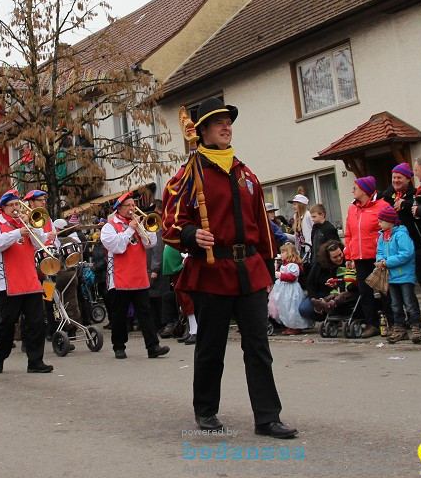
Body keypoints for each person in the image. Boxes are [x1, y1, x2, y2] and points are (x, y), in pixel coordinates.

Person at [161, 97, 296, 439]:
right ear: (202, 131)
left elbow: (261, 227)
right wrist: (191, 234)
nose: (225, 126)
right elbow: (170, 223)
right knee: (211, 347)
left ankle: (267, 417)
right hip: (211, 270)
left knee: (258, 347)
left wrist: (266, 268)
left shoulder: (246, 173)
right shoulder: (188, 175)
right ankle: (205, 410)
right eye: (217, 122)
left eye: (227, 121)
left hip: (249, 269)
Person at [0, 191, 55, 374]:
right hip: (8, 283)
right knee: (8, 325)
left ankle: (35, 361)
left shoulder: (25, 221)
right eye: (12, 205)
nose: (16, 208)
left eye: (18, 204)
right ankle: (0, 357)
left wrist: (32, 226)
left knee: (37, 323)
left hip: (30, 281)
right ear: (3, 208)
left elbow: (40, 242)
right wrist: (18, 232)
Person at [101, 192, 169, 360]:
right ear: (119, 208)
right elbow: (117, 247)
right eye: (128, 206)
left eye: (133, 205)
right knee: (120, 315)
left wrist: (143, 227)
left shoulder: (137, 224)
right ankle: (119, 346)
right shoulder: (109, 226)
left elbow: (150, 243)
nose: (132, 209)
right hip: (120, 278)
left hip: (139, 276)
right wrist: (130, 229)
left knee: (146, 313)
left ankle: (153, 347)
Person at [383, 162, 421, 332]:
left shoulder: (415, 195)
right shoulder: (387, 197)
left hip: (418, 245)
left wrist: (406, 205)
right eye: (394, 177)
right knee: (403, 285)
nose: (396, 180)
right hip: (396, 250)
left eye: (399, 178)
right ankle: (410, 319)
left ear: (408, 179)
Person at [343, 176, 390, 339]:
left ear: (364, 189)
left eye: (355, 188)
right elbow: (348, 234)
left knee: (385, 290)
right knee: (365, 292)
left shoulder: (382, 206)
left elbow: (389, 230)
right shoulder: (352, 209)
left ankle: (391, 321)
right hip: (359, 257)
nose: (352, 190)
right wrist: (348, 255)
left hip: (378, 256)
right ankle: (372, 324)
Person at [376, 205, 421, 344]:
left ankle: (416, 327)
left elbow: (406, 253)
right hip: (391, 276)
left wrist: (387, 261)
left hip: (404, 275)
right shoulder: (383, 236)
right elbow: (379, 252)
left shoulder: (401, 234)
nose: (379, 224)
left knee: (409, 303)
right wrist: (380, 261)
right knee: (395, 304)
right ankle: (399, 328)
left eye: (381, 221)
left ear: (389, 222)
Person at [269, 243, 309, 335]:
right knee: (285, 308)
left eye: (283, 252)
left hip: (291, 290)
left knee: (292, 308)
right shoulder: (283, 265)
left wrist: (281, 275)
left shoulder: (293, 265)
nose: (281, 254)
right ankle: (289, 325)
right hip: (283, 289)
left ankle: (296, 326)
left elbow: (293, 277)